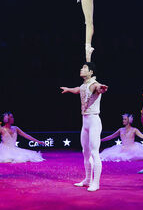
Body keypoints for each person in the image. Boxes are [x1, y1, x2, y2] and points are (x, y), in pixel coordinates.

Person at [60, 62, 108, 192]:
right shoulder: (84, 85)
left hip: (93, 121)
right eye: (82, 67)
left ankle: (96, 183)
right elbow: (79, 89)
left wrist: (101, 88)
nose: (81, 69)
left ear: (91, 72)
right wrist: (69, 89)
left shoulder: (94, 84)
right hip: (85, 121)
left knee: (94, 153)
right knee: (85, 153)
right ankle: (87, 179)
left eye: (84, 68)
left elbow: (97, 87)